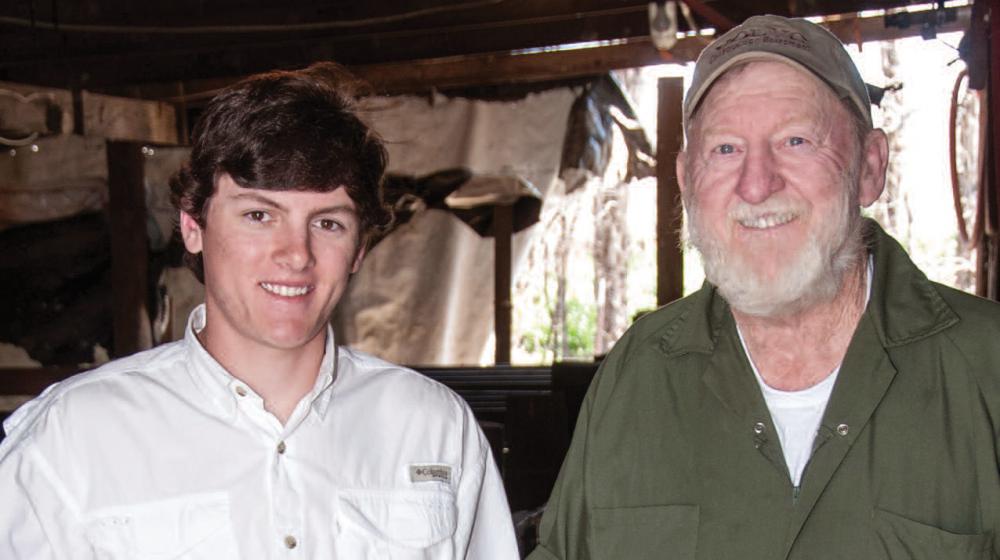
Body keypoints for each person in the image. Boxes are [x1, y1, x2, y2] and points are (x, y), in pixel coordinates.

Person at [0, 63, 519, 559]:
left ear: (360, 246)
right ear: (193, 227)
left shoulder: (433, 427)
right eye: (258, 215)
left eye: (328, 223)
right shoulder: (70, 437)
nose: (296, 254)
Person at [529, 15, 1000, 560]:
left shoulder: (986, 368)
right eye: (725, 149)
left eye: (796, 141)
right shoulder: (638, 373)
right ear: (686, 179)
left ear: (870, 168)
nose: (756, 185)